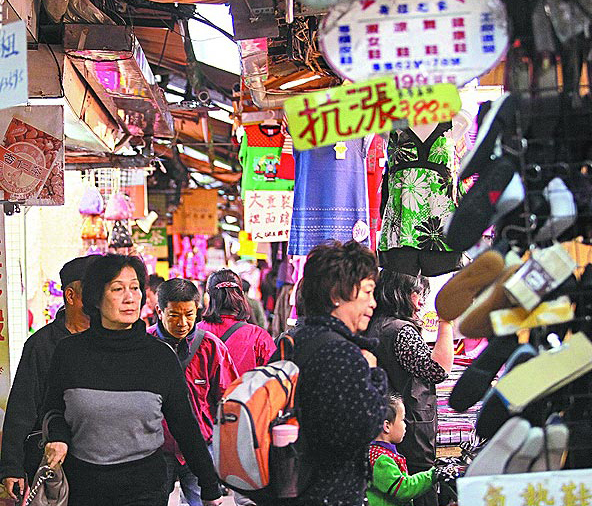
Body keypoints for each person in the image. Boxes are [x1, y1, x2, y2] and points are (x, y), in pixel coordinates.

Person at [42, 254, 223, 506]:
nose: (130, 298)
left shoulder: (160, 357)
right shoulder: (69, 353)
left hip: (145, 489)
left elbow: (184, 425)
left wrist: (210, 487)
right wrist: (58, 437)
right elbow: (53, 409)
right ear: (96, 297)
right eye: (118, 289)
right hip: (84, 488)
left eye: (135, 288)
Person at [263, 240, 388, 506]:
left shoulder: (292, 341)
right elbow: (364, 427)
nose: (373, 303)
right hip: (328, 493)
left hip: (289, 488)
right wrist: (374, 374)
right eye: (367, 292)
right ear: (335, 294)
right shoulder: (341, 353)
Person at [0, 255, 97, 501]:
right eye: (93, 290)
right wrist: (11, 466)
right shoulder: (41, 344)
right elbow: (22, 406)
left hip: (100, 461)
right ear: (70, 296)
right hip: (53, 462)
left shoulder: (111, 341)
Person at [147, 278, 238, 506]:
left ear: (198, 310)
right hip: (155, 451)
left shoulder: (211, 347)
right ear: (159, 311)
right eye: (174, 315)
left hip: (200, 450)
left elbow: (228, 399)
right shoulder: (145, 345)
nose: (182, 323)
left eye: (189, 314)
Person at [366, 270, 454, 506]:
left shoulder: (377, 325)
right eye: (418, 293)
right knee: (420, 489)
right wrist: (446, 321)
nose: (421, 301)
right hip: (409, 432)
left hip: (391, 427)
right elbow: (437, 370)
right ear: (400, 293)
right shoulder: (400, 330)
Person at [198, 269, 275, 375]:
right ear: (241, 295)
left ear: (210, 295)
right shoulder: (258, 336)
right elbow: (272, 375)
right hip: (246, 386)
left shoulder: (195, 333)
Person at [367, 396, 437, 506]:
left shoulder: (376, 453)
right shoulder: (382, 460)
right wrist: (433, 475)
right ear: (387, 426)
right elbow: (403, 489)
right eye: (402, 420)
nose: (405, 425)